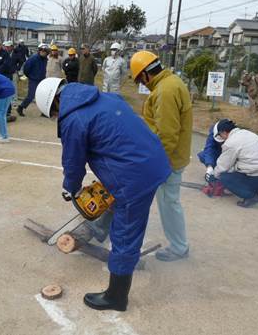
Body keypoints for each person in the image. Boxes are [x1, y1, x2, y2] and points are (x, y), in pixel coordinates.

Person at [35, 77, 171, 312]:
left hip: (134, 177)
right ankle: (99, 230)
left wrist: (71, 188)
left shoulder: (73, 118)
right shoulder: (106, 97)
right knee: (120, 213)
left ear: (56, 103)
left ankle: (116, 297)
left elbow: (73, 161)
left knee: (126, 233)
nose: (57, 118)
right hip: (152, 162)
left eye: (54, 114)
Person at [130, 51, 192, 262]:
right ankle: (179, 244)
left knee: (168, 202)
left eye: (140, 80)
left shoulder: (165, 91)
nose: (142, 84)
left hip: (168, 160)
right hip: (171, 156)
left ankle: (179, 247)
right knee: (168, 201)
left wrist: (156, 164)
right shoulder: (171, 82)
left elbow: (167, 134)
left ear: (146, 74)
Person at [212, 119, 258, 208]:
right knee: (232, 172)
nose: (222, 138)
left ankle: (251, 196)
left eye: (220, 135)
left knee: (224, 177)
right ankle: (251, 191)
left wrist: (214, 177)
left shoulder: (231, 143)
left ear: (224, 132)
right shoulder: (247, 133)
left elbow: (223, 165)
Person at [16, 43, 49, 117]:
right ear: (39, 50)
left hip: (42, 80)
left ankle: (44, 112)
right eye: (42, 50)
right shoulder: (33, 58)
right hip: (33, 80)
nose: (43, 52)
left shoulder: (46, 60)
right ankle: (20, 107)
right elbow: (26, 68)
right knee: (31, 95)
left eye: (45, 51)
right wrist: (30, 76)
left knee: (43, 96)